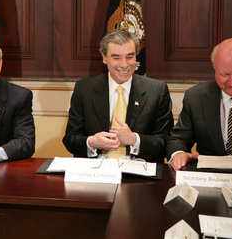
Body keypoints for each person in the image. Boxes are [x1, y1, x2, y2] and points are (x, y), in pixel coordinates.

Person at [62, 29, 174, 162]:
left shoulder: (157, 91)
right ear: (104, 58)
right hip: (96, 172)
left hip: (139, 173)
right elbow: (70, 139)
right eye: (116, 58)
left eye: (130, 56)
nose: (124, 64)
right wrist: (91, 142)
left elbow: (166, 141)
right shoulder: (84, 89)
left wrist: (134, 140)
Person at [167, 38, 232, 171]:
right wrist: (178, 154)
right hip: (210, 179)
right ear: (215, 69)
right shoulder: (196, 97)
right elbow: (178, 139)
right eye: (225, 74)